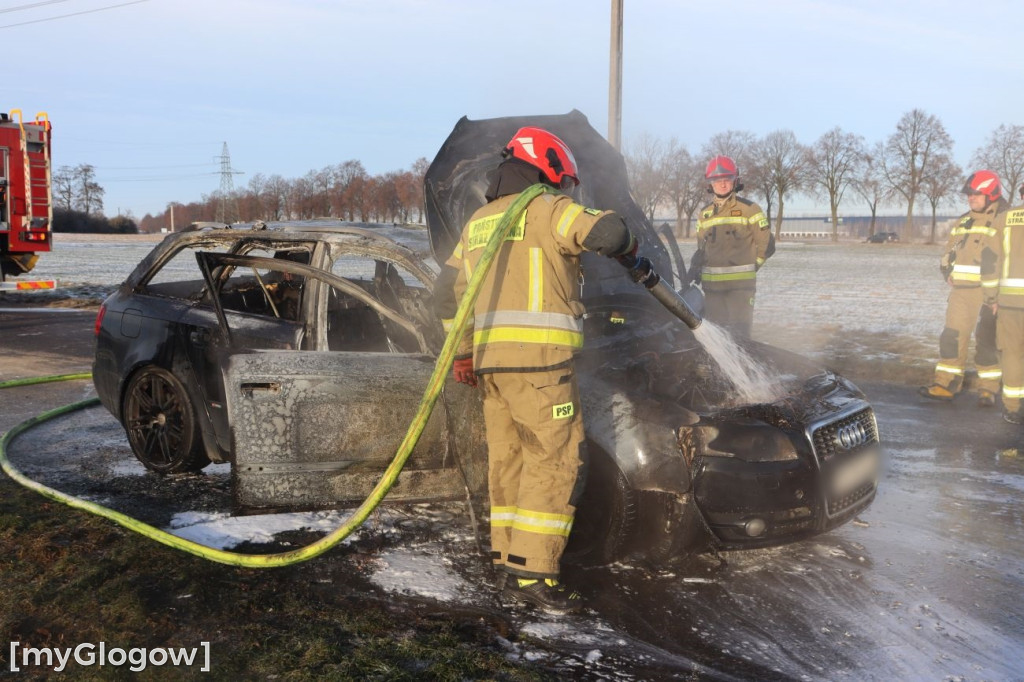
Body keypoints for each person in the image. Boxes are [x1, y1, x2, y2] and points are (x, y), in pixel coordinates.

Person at [434, 126, 641, 614]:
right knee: (554, 461)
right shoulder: (549, 209)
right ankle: (533, 578)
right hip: (541, 366)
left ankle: (508, 559)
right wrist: (630, 246)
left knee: (507, 460)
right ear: (548, 167)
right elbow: (608, 233)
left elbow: (445, 295)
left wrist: (463, 352)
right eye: (562, 179)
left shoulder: (478, 222)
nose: (564, 188)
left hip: (491, 368)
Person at [920, 170, 1005, 404]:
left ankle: (988, 389)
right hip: (961, 292)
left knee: (986, 340)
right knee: (951, 337)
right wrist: (947, 270)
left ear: (992, 194)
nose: (971, 198)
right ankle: (946, 384)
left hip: (990, 293)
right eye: (969, 194)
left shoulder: (1004, 220)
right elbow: (950, 250)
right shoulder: (964, 220)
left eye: (977, 194)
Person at [687, 155, 773, 337]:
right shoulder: (704, 214)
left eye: (727, 179)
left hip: (740, 289)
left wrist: (753, 266)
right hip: (712, 291)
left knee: (740, 336)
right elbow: (702, 248)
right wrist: (697, 265)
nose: (722, 184)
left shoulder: (750, 209)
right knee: (717, 336)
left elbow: (766, 244)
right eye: (717, 180)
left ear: (735, 181)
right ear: (710, 183)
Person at [994, 196, 1024, 423]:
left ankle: (1012, 408)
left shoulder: (1004, 219)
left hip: (1010, 301)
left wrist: (990, 297)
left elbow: (989, 259)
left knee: (1012, 353)